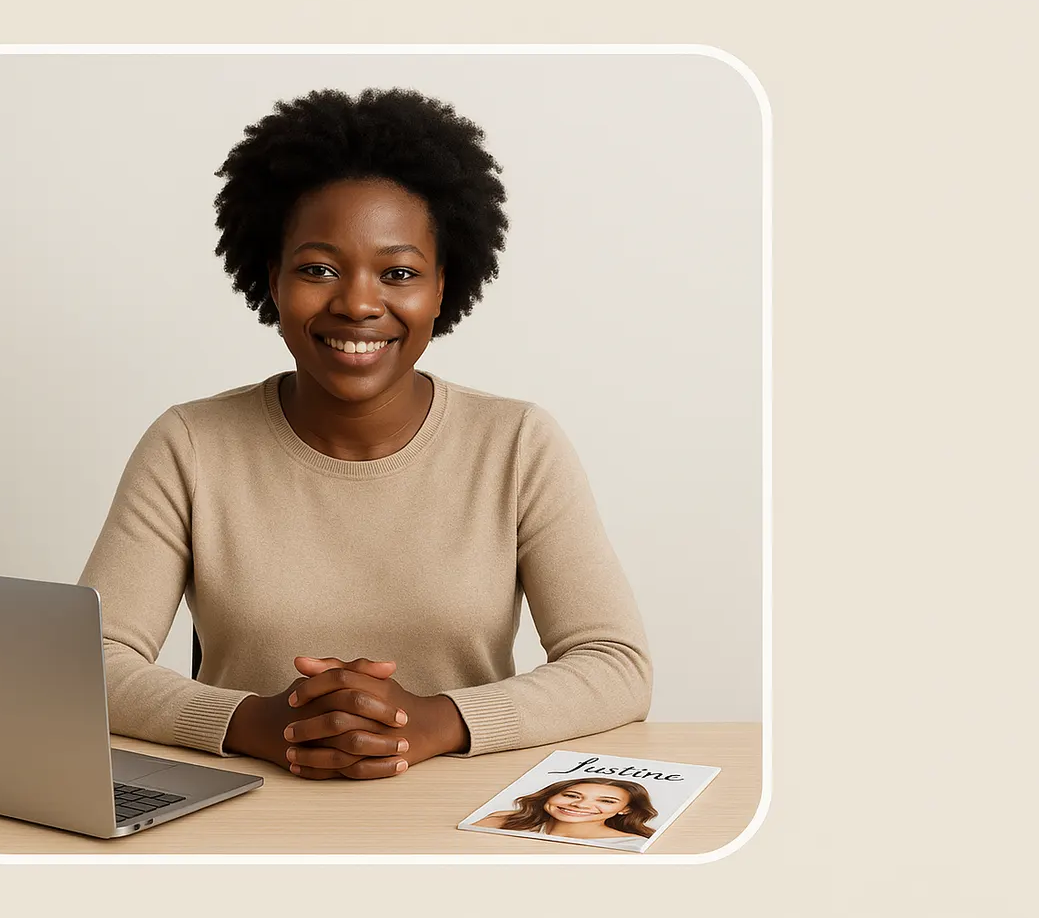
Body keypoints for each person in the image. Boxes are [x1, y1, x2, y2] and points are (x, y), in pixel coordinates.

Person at [78, 87, 652, 781]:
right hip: (244, 816)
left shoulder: (517, 444)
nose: (355, 302)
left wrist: (436, 720)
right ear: (272, 280)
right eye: (318, 268)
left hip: (461, 821)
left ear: (443, 287)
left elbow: (616, 664)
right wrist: (254, 722)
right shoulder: (189, 445)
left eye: (399, 272)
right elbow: (89, 662)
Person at [471, 778, 658, 850]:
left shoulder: (633, 845)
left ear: (626, 810)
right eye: (570, 795)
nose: (580, 805)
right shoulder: (502, 820)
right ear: (549, 796)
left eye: (606, 801)